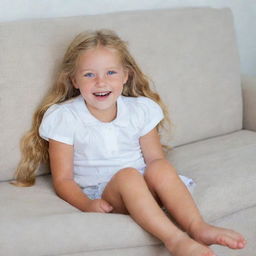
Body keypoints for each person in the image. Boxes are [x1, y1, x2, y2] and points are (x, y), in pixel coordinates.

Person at [13, 29, 246, 256]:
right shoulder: (65, 118)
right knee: (128, 176)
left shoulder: (139, 110)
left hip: (145, 187)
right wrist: (86, 205)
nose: (101, 82)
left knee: (161, 167)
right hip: (106, 194)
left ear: (125, 75)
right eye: (89, 75)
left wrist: (156, 179)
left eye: (111, 73)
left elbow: (155, 159)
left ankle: (198, 227)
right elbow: (63, 179)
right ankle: (176, 240)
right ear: (74, 79)